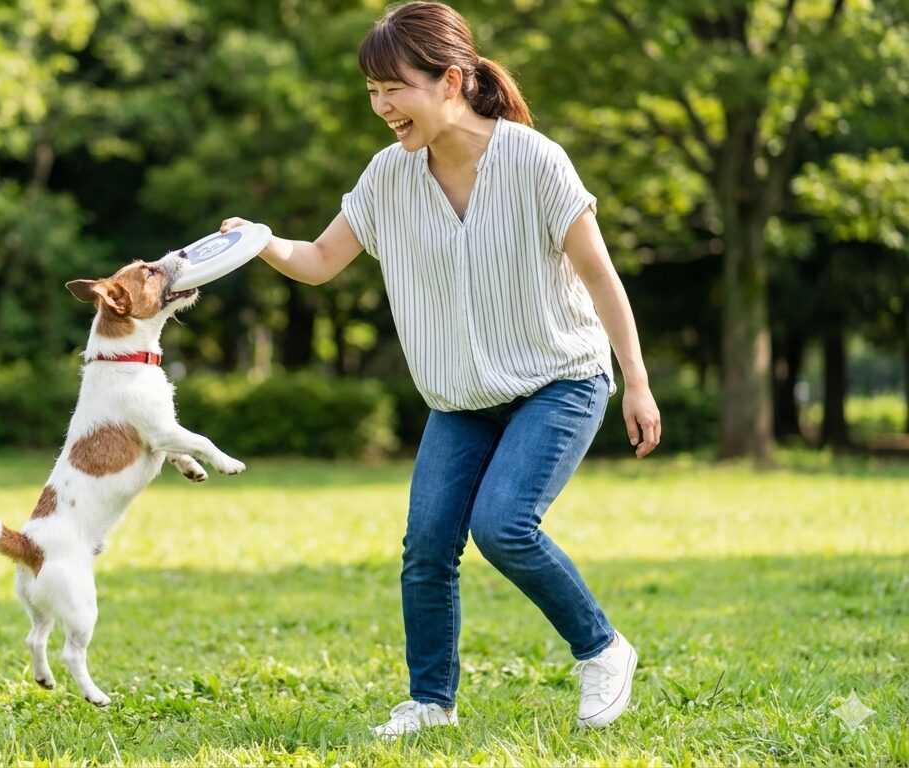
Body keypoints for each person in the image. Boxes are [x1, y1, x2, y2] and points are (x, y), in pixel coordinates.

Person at [219, 0, 661, 737]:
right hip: (460, 397)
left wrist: (636, 382)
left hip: (560, 379)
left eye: (394, 88)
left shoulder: (533, 160)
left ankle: (603, 649)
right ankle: (431, 702)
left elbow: (600, 277)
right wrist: (261, 240)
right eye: (371, 92)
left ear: (450, 80)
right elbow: (322, 261)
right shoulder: (388, 177)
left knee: (504, 525)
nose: (381, 106)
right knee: (427, 545)